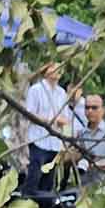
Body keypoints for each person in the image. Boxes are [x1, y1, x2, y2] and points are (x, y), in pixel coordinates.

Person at [22, 63, 74, 195]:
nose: (56, 71)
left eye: (59, 68)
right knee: (35, 174)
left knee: (49, 180)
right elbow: (30, 114)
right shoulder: (36, 89)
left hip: (55, 142)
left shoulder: (61, 92)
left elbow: (66, 116)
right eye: (53, 68)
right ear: (45, 71)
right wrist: (53, 119)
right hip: (39, 139)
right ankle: (27, 201)